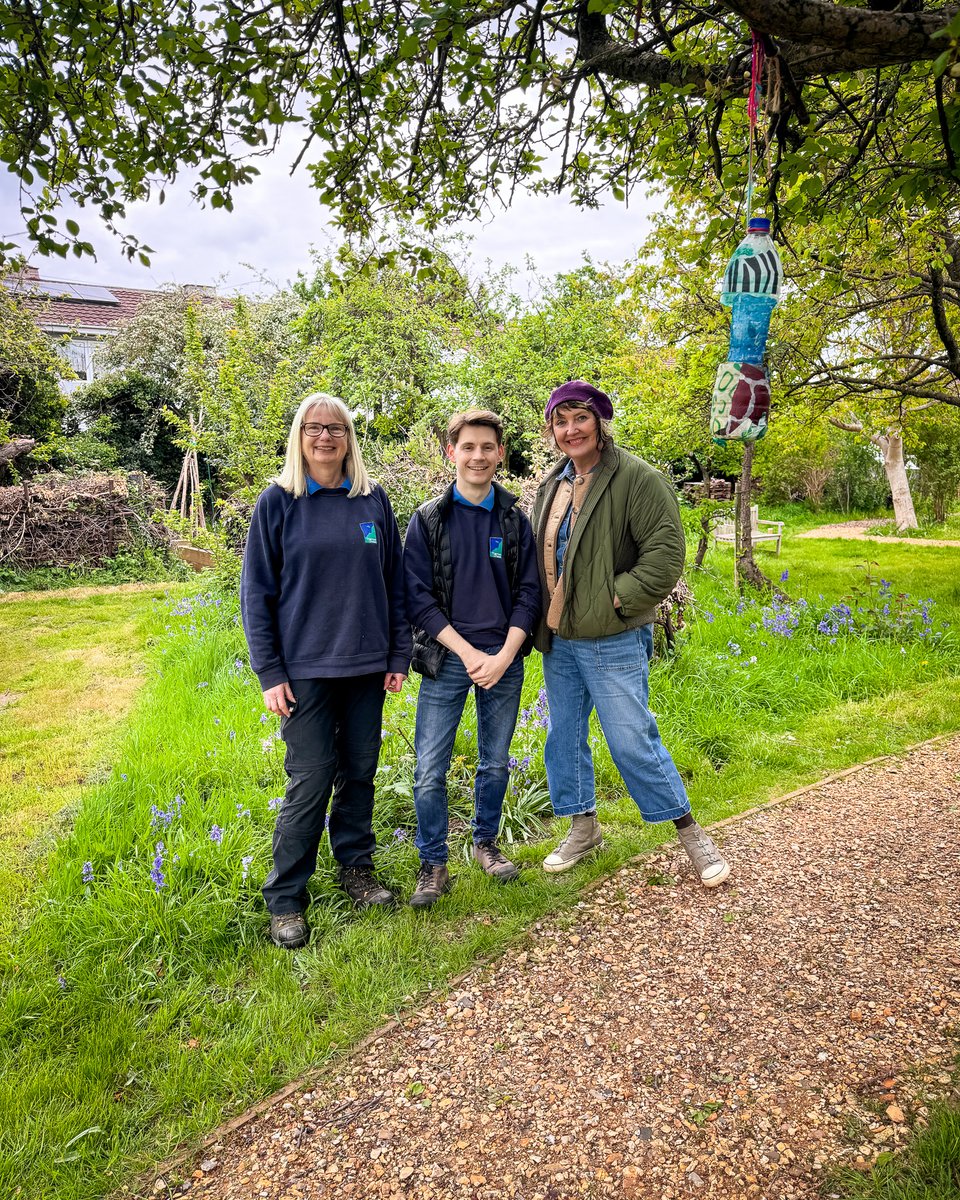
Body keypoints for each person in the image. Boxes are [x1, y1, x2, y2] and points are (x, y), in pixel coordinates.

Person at [531, 380, 730, 886]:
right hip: (561, 639)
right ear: (552, 431)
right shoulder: (553, 484)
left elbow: (665, 559)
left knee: (630, 741)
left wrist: (614, 599)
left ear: (600, 422)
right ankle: (584, 827)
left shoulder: (637, 479)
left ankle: (690, 833)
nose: (570, 429)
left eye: (580, 418)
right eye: (561, 420)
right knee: (565, 739)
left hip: (613, 638)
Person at [241, 393, 411, 949]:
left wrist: (396, 655)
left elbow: (394, 584)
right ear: (299, 436)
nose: (325, 437)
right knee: (311, 779)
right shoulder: (279, 502)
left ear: (349, 438)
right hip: (305, 669)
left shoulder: (372, 501)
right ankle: (286, 898)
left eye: (336, 428)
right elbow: (257, 594)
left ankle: (355, 870)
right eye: (314, 428)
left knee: (360, 771)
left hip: (366, 666)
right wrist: (270, 673)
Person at [403, 409, 541, 907]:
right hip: (447, 659)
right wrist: (465, 651)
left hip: (504, 658)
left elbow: (530, 593)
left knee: (496, 761)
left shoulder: (514, 520)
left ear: (500, 454)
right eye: (468, 447)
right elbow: (416, 597)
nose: (478, 456)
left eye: (487, 447)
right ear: (451, 452)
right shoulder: (428, 520)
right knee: (428, 768)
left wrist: (504, 654)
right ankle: (433, 863)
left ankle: (486, 844)